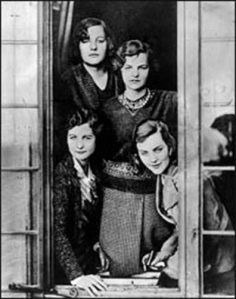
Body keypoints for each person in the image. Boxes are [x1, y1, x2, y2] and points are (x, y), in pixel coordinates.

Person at [98, 39, 177, 277]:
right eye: (128, 68)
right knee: (119, 270)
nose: (135, 74)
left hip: (157, 196)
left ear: (150, 68)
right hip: (116, 199)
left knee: (158, 268)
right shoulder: (107, 109)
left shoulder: (169, 101)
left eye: (142, 67)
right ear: (118, 70)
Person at [133, 119, 235, 290]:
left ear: (170, 147)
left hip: (219, 270)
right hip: (202, 264)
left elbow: (199, 232)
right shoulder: (165, 176)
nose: (152, 159)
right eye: (144, 153)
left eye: (158, 150)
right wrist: (167, 249)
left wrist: (172, 269)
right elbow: (184, 224)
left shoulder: (185, 178)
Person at [53, 108, 107, 296]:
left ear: (96, 138)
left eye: (86, 138)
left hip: (89, 263)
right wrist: (77, 276)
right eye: (73, 137)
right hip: (63, 270)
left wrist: (100, 244)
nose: (79, 145)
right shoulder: (62, 174)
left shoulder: (97, 171)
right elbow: (56, 232)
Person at [62, 17, 123, 111]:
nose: (93, 47)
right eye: (86, 41)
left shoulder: (120, 74)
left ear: (108, 43)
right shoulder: (69, 80)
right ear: (78, 45)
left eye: (100, 41)